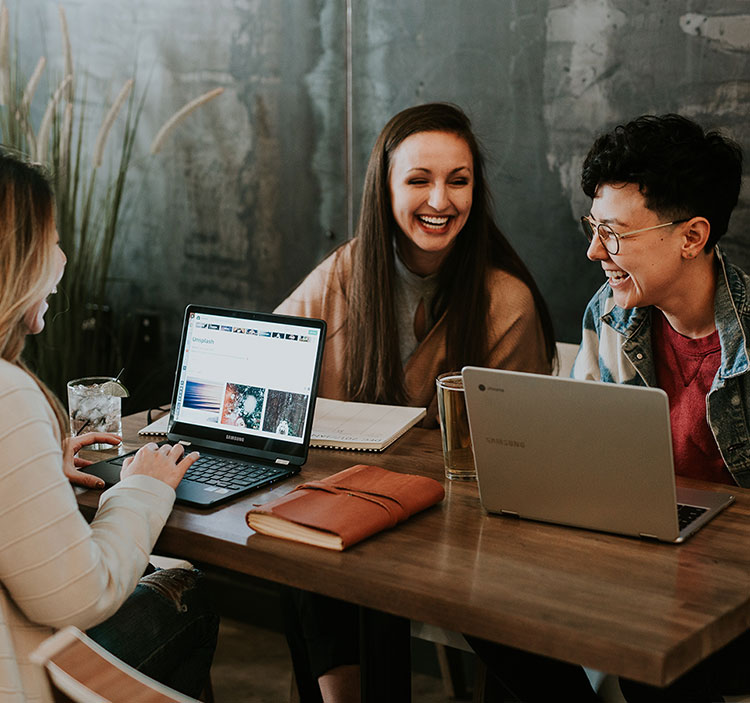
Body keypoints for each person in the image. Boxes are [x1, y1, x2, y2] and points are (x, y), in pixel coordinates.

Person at [275, 102, 557, 702]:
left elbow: (514, 458)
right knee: (297, 545)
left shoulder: (505, 301)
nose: (441, 200)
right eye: (419, 180)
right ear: (385, 188)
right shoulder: (349, 270)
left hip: (459, 529)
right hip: (351, 507)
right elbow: (276, 362)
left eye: (459, 181)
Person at [472, 113, 749, 702]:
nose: (596, 251)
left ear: (692, 237)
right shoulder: (611, 312)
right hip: (636, 556)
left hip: (728, 589)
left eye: (616, 233)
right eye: (592, 227)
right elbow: (581, 460)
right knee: (489, 607)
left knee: (653, 646)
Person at [0, 151, 218, 702]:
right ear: (15, 258)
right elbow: (78, 597)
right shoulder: (8, 393)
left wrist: (41, 476)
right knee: (188, 592)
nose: (63, 258)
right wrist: (142, 488)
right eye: (50, 240)